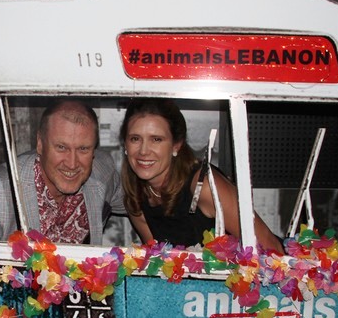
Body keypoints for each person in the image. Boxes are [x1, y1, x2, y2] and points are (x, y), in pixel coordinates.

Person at [120, 98, 283, 253]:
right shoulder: (135, 197)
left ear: (176, 145)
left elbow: (272, 249)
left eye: (156, 139)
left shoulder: (204, 186)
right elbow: (156, 262)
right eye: (135, 139)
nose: (143, 151)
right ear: (125, 144)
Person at [0, 100, 123, 244]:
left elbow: (134, 204)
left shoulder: (103, 172)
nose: (72, 163)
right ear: (40, 144)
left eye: (83, 149)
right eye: (61, 147)